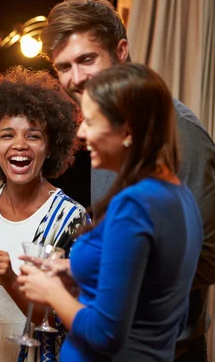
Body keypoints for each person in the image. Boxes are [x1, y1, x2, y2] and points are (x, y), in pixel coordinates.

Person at [42, 0, 215, 361]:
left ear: (121, 51)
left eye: (87, 59)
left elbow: (203, 262)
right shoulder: (106, 135)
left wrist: (83, 289)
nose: (75, 78)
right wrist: (80, 271)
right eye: (64, 67)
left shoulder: (177, 131)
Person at [17, 63, 203, 361]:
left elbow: (106, 334)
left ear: (127, 130)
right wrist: (74, 271)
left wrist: (50, 290)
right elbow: (154, 295)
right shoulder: (179, 195)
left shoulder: (135, 205)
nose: (80, 132)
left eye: (90, 121)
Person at [0, 66, 88, 362]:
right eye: (7, 135)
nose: (19, 145)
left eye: (33, 136)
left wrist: (10, 278)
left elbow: (67, 321)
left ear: (50, 146)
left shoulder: (70, 219)